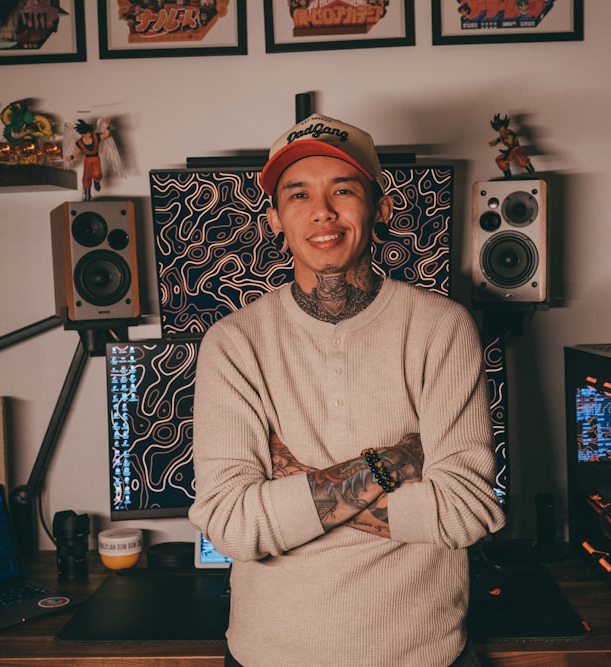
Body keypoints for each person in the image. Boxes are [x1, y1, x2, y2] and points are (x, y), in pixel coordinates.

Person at [188, 113, 506, 667]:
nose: (322, 213)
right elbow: (233, 526)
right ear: (274, 218)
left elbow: (465, 511)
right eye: (298, 195)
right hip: (269, 656)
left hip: (421, 655)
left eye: (343, 190)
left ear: (380, 208)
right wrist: (390, 464)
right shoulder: (233, 343)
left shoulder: (442, 328)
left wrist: (295, 488)